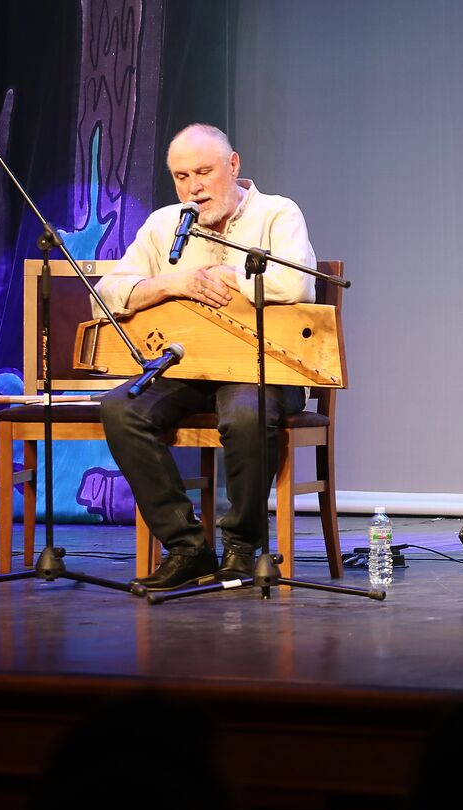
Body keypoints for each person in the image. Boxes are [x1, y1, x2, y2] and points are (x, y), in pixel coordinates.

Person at [96, 123, 317, 590]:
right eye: (181, 176)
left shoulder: (277, 214)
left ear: (233, 165)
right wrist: (171, 283)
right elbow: (105, 295)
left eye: (203, 171)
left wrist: (227, 275)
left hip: (264, 369)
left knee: (243, 411)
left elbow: (297, 283)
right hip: (189, 366)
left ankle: (241, 546)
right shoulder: (164, 224)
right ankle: (187, 546)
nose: (193, 187)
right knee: (120, 407)